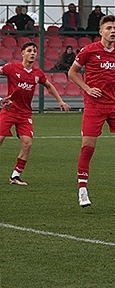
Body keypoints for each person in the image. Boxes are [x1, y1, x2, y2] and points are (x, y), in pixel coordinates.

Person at [68, 15, 115, 207]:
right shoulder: (89, 50)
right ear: (100, 31)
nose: (113, 31)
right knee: (88, 147)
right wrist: (87, 89)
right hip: (94, 106)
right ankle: (83, 190)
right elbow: (72, 73)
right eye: (109, 28)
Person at [1, 42, 70, 186]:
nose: (33, 53)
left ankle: (15, 175)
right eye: (29, 51)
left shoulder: (37, 74)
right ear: (22, 53)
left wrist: (60, 101)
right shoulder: (11, 68)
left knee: (27, 144)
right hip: (9, 111)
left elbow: (49, 86)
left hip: (25, 114)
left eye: (35, 51)